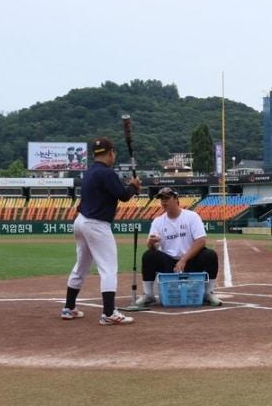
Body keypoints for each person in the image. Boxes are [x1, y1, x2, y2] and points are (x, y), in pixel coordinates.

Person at [61, 137, 141, 325]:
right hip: (96, 224)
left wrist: (132, 187)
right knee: (108, 268)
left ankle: (69, 307)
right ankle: (108, 313)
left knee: (81, 266)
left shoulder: (90, 172)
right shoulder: (107, 173)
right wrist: (134, 186)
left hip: (81, 221)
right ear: (111, 152)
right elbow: (123, 196)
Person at [135, 187, 222, 306]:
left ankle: (209, 292)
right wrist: (151, 243)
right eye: (161, 199)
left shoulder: (192, 216)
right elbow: (153, 247)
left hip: (190, 261)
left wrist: (183, 259)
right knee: (148, 256)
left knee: (210, 255)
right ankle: (148, 295)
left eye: (167, 198)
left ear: (176, 199)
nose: (163, 202)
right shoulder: (158, 221)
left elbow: (201, 241)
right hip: (170, 263)